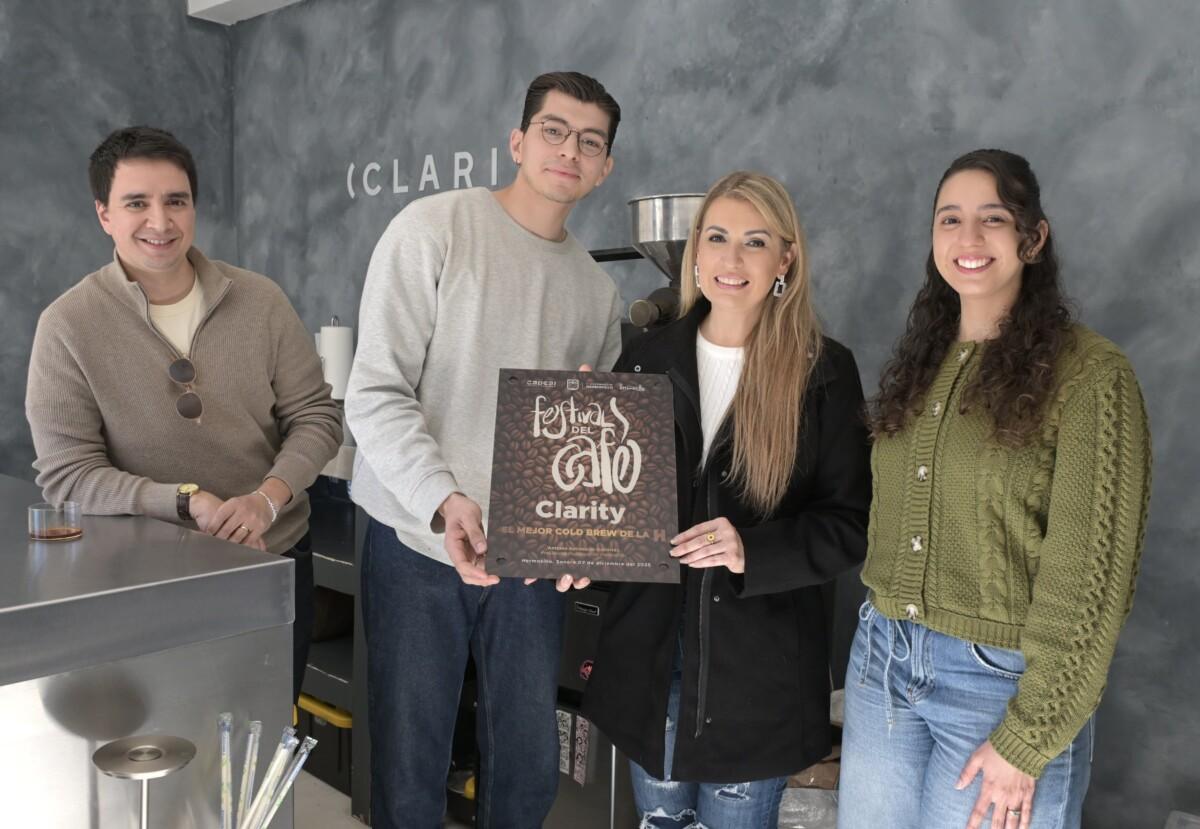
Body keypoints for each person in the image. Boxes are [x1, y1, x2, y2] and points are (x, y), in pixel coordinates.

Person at [837, 149, 1152, 829]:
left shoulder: (1091, 375)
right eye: (950, 219)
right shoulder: (923, 362)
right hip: (883, 664)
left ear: (1033, 238)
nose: (968, 237)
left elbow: (1090, 581)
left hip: (999, 682)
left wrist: (1029, 736)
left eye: (994, 218)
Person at [344, 71, 624, 828]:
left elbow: (590, 445)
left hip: (530, 567)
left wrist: (582, 533)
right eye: (554, 131)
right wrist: (444, 499)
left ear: (604, 167)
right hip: (417, 540)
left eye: (589, 142)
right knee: (409, 766)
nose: (569, 150)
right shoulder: (433, 228)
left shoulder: (597, 293)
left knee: (527, 770)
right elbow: (375, 391)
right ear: (519, 141)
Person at [577, 171, 872, 828]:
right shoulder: (645, 360)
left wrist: (751, 550)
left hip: (756, 683)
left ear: (784, 259)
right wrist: (580, 551)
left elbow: (850, 524)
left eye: (754, 241)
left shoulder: (823, 371)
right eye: (716, 237)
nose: (731, 259)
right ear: (695, 253)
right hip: (652, 669)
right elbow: (619, 513)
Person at [25, 125, 342, 702]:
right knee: (161, 734)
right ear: (103, 214)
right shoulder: (68, 325)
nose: (161, 221)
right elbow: (68, 474)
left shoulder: (261, 300)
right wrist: (186, 500)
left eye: (176, 200)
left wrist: (266, 499)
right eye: (136, 203)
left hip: (270, 556)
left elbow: (316, 417)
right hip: (142, 573)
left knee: (268, 729)